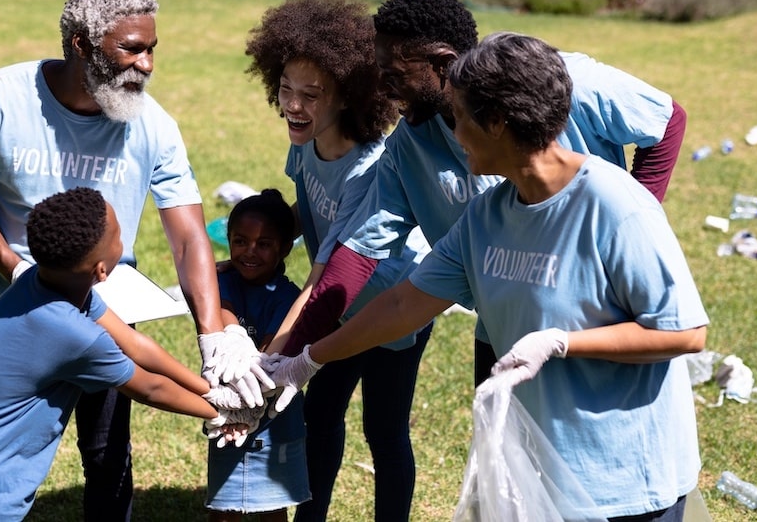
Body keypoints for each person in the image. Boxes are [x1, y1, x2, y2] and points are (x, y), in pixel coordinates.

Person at [269, 32, 710, 521]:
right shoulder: (485, 218)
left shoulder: (616, 205)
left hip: (625, 487)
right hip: (542, 484)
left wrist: (562, 342)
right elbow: (401, 306)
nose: (452, 136)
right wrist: (304, 360)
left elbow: (685, 333)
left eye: (459, 118)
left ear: (497, 122)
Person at [0, 0, 266, 521]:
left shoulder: (153, 126)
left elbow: (187, 235)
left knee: (108, 452)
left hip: (110, 305)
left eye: (152, 48)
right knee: (3, 442)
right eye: (131, 49)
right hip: (20, 309)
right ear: (81, 46)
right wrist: (14, 267)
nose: (147, 65)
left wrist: (213, 334)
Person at [271, 0, 688, 388]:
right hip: (501, 320)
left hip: (596, 317)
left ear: (442, 65)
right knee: (499, 444)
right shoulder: (455, 191)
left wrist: (632, 223)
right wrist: (293, 361)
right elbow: (370, 265)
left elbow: (667, 119)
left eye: (394, 74)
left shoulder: (559, 83)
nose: (381, 89)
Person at [0, 187, 220, 522]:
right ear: (101, 270)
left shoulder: (39, 281)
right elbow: (149, 388)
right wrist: (219, 414)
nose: (123, 239)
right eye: (118, 235)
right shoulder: (76, 336)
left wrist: (212, 390)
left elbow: (133, 342)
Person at [244, 0, 433, 522]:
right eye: (285, 89)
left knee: (385, 432)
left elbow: (326, 274)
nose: (294, 105)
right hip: (337, 304)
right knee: (320, 417)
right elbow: (305, 216)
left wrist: (272, 358)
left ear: (347, 95)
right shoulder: (304, 141)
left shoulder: (368, 168)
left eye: (312, 94)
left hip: (392, 311)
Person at [205, 189, 310, 521]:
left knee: (272, 506)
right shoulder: (223, 282)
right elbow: (224, 313)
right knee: (224, 504)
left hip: (275, 415)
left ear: (283, 249)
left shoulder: (288, 297)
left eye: (263, 244)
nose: (250, 252)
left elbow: (270, 352)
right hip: (227, 409)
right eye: (240, 241)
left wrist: (248, 398)